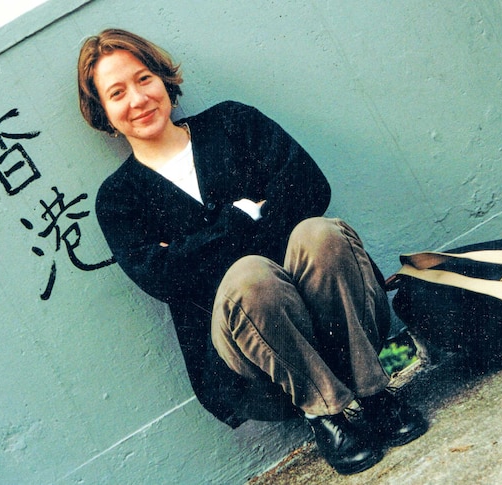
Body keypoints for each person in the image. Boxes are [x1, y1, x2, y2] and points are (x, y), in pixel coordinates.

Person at [77, 28, 427, 475]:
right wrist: (245, 217)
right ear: (102, 112)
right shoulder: (119, 198)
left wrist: (191, 249)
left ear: (164, 79)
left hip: (332, 312)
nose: (138, 98)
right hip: (252, 356)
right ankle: (326, 416)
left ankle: (375, 396)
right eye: (117, 92)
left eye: (144, 79)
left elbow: (310, 186)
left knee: (319, 235)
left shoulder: (232, 123)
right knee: (249, 277)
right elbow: (161, 279)